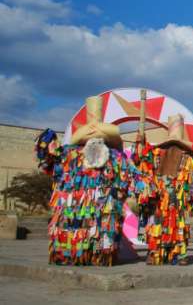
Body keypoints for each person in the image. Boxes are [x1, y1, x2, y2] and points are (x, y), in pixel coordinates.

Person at [35, 95, 148, 266]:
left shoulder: (113, 157)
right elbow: (47, 162)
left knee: (101, 239)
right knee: (74, 236)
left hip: (102, 216)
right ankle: (72, 254)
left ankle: (90, 255)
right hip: (72, 215)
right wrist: (46, 141)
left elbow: (135, 179)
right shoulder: (69, 154)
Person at [138, 114, 193, 265]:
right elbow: (144, 166)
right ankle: (157, 252)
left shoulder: (187, 159)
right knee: (161, 223)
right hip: (162, 198)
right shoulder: (158, 155)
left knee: (176, 225)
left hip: (175, 199)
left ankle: (174, 254)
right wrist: (140, 147)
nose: (174, 149)